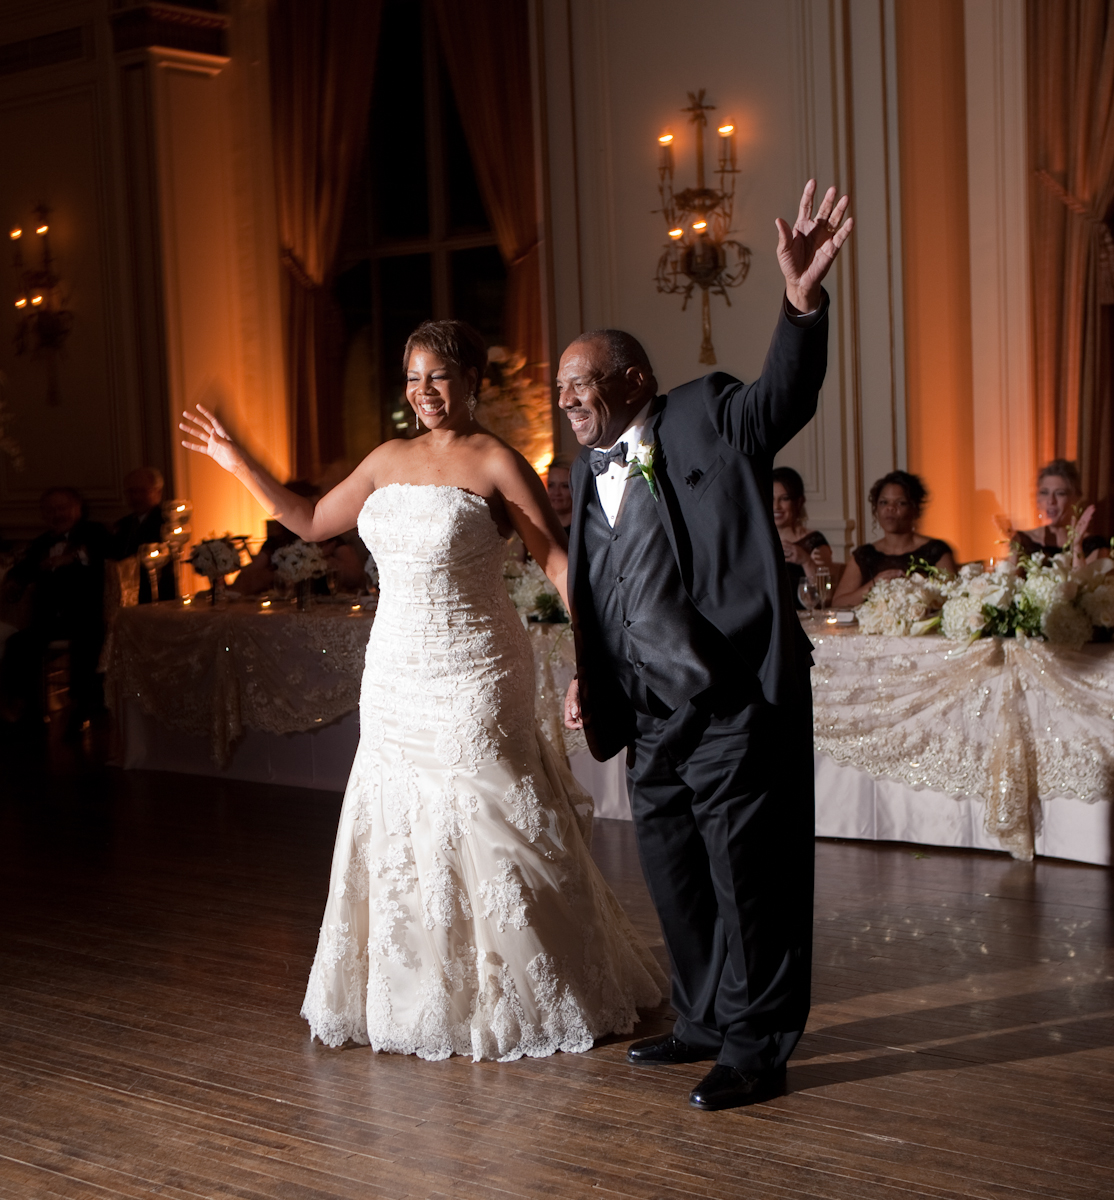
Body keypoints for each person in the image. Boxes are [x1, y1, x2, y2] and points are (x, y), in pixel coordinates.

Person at [180, 319, 664, 1061]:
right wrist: (235, 460)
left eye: (438, 375)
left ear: (472, 381)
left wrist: (591, 662)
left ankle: (538, 988)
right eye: (413, 377)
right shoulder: (385, 459)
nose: (424, 391)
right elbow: (309, 521)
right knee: (403, 824)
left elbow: (561, 567)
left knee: (493, 811)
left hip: (478, 668)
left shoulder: (497, 462)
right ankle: (426, 996)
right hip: (396, 673)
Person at [560, 180, 852, 1111]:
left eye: (579, 383)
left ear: (632, 381)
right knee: (676, 875)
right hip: (647, 715)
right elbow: (605, 588)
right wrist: (590, 675)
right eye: (561, 387)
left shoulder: (708, 414)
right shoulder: (585, 469)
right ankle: (702, 1020)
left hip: (730, 701)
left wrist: (800, 302)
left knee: (750, 883)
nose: (566, 400)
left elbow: (781, 399)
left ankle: (758, 1047)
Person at [4, 487, 110, 736]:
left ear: (78, 508)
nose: (57, 514)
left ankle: (80, 707)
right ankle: (23, 708)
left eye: (62, 508)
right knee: (18, 643)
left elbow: (106, 552)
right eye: (50, 510)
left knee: (86, 640)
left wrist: (72, 557)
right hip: (50, 618)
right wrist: (14, 581)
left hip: (87, 614)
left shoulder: (95, 532)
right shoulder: (41, 543)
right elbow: (23, 568)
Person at [830, 471, 956, 609]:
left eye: (900, 503)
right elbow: (838, 603)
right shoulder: (864, 555)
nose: (890, 508)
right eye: (884, 502)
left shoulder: (936, 551)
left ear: (914, 509)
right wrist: (874, 584)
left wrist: (915, 587)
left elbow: (953, 599)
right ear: (876, 510)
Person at [1007, 459, 1109, 566]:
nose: (1051, 501)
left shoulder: (1094, 545)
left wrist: (1077, 546)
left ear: (1075, 499)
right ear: (1037, 499)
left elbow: (1085, 577)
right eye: (1044, 493)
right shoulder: (1021, 540)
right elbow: (1010, 575)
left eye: (1060, 493)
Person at [110, 467, 175, 603]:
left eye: (142, 491)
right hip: (125, 596)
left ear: (158, 492)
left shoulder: (167, 523)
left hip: (158, 594)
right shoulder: (122, 524)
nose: (136, 497)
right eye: (131, 491)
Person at [772, 465, 833, 607]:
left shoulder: (814, 542)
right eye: (771, 498)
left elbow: (826, 598)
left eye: (784, 499)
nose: (776, 506)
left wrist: (805, 560)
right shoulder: (756, 541)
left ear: (799, 502)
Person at [546, 454, 575, 533]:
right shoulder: (541, 528)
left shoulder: (586, 529)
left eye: (565, 486)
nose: (556, 493)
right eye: (551, 485)